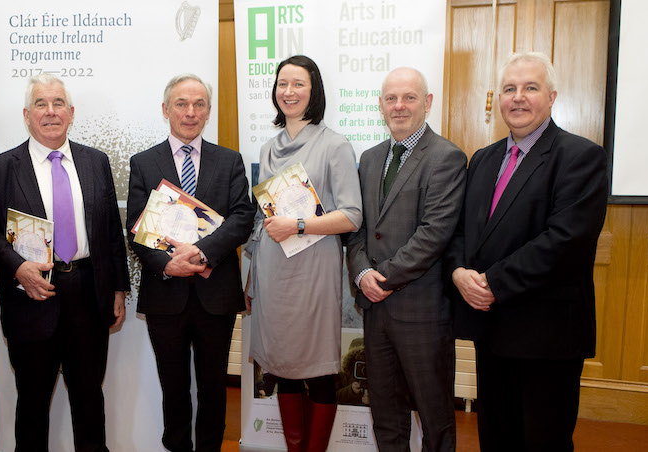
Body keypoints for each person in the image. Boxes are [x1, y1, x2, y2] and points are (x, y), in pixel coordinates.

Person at [446, 52, 608, 452]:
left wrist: (493, 283)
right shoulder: (482, 160)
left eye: (530, 88)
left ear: (551, 96)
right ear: (498, 98)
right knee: (496, 439)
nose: (518, 98)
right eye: (509, 89)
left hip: (547, 335)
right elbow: (461, 232)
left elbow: (565, 241)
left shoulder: (581, 157)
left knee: (543, 442)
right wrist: (457, 272)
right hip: (492, 330)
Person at [0, 74, 130, 452]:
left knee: (89, 400)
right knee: (32, 403)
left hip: (88, 292)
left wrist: (117, 288)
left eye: (58, 103)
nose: (51, 112)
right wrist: (17, 268)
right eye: (42, 105)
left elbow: (111, 230)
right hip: (30, 296)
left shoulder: (96, 162)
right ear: (27, 115)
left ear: (71, 112)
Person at [126, 73, 254, 452]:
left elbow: (241, 218)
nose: (190, 112)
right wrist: (166, 265)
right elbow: (135, 229)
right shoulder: (144, 162)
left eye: (199, 104)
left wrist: (201, 253)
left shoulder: (229, 160)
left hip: (216, 296)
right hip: (166, 295)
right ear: (166, 110)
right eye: (181, 104)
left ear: (209, 111)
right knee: (174, 387)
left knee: (214, 387)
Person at [244, 55, 363, 452]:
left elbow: (351, 216)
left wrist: (298, 225)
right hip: (272, 273)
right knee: (283, 367)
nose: (289, 92)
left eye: (298, 84)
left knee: (319, 369)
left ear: (314, 91)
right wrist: (251, 277)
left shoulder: (334, 145)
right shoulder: (268, 146)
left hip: (312, 273)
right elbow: (263, 220)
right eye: (282, 84)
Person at [346, 67, 466, 451]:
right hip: (376, 312)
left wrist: (380, 279)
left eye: (409, 98)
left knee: (435, 420)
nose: (399, 106)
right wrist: (362, 270)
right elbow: (357, 227)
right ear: (380, 106)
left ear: (427, 103)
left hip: (422, 313)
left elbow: (433, 235)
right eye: (391, 99)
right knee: (386, 415)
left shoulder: (447, 158)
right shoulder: (369, 158)